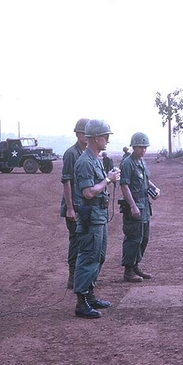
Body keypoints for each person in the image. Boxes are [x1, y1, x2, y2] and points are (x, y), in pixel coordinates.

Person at [72, 119, 120, 319]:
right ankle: (81, 303)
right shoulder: (85, 162)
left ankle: (89, 295)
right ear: (96, 138)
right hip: (90, 216)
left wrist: (108, 178)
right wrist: (108, 179)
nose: (107, 140)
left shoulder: (95, 159)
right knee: (88, 257)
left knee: (98, 256)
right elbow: (89, 192)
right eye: (105, 137)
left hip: (98, 216)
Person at [119, 132, 160, 282]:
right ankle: (128, 270)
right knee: (133, 238)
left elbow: (146, 180)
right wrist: (132, 206)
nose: (143, 150)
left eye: (145, 147)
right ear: (133, 147)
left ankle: (136, 265)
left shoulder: (142, 162)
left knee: (144, 238)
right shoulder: (127, 163)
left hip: (144, 205)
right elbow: (124, 185)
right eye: (140, 147)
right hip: (134, 207)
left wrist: (155, 189)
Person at [60, 118, 89, 289]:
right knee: (76, 241)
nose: (86, 136)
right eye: (84, 133)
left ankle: (81, 275)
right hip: (74, 206)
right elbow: (66, 181)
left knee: (84, 241)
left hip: (84, 206)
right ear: (78, 134)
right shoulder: (71, 153)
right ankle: (72, 276)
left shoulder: (88, 153)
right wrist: (70, 208)